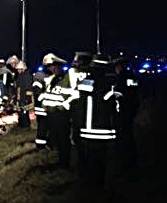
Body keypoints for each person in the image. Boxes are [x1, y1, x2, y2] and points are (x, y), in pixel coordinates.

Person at [75, 55, 118, 187]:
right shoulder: (108, 83)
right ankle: (98, 184)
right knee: (101, 158)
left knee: (91, 157)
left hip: (88, 127)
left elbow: (81, 99)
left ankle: (90, 183)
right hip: (103, 127)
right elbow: (111, 105)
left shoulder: (88, 81)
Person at [38, 53, 74, 168]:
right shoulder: (51, 79)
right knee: (57, 138)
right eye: (48, 67)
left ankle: (64, 163)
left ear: (57, 66)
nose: (50, 69)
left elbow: (65, 96)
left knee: (63, 139)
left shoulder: (64, 79)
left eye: (51, 66)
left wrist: (46, 98)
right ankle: (60, 161)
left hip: (61, 113)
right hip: (52, 114)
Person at [112, 57, 139, 173]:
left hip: (122, 111)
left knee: (122, 137)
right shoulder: (132, 77)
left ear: (118, 67)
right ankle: (131, 161)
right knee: (130, 136)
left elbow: (117, 94)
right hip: (132, 110)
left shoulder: (120, 78)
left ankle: (124, 163)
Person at [13, 60, 34, 129]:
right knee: (20, 111)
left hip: (24, 97)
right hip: (20, 96)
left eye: (19, 69)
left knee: (24, 112)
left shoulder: (27, 76)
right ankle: (21, 124)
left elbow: (29, 87)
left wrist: (27, 98)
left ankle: (25, 125)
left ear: (23, 69)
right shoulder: (20, 76)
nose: (18, 71)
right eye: (17, 69)